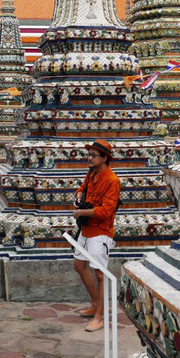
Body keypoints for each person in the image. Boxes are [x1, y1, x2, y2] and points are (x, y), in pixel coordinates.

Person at [71, 138, 120, 333]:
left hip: (100, 232)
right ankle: (95, 304)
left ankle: (100, 316)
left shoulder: (112, 181)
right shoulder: (91, 174)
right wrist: (79, 197)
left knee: (100, 274)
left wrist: (81, 212)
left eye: (93, 155)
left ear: (105, 158)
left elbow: (106, 211)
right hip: (86, 229)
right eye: (89, 154)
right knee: (79, 265)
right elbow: (82, 188)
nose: (89, 158)